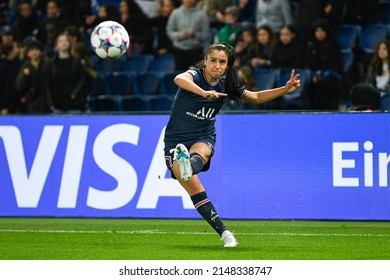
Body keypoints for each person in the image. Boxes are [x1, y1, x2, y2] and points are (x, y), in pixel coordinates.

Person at [163, 42, 300, 247]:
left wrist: (285, 89)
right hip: (176, 140)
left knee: (201, 153)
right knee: (194, 187)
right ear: (206, 61)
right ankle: (225, 233)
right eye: (213, 61)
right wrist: (203, 93)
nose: (217, 66)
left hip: (203, 134)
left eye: (222, 62)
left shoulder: (227, 83)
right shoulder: (195, 75)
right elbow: (178, 78)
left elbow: (254, 97)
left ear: (227, 65)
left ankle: (187, 166)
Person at [166, 0, 211, 71]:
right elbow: (169, 31)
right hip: (178, 51)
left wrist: (195, 34)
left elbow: (206, 34)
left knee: (194, 77)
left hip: (195, 51)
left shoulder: (202, 15)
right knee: (179, 76)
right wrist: (179, 35)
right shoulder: (175, 13)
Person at [15, 39, 50, 114]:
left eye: (36, 49)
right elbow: (19, 86)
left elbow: (50, 83)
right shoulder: (26, 66)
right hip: (32, 103)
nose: (34, 52)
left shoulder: (46, 65)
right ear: (28, 53)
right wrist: (24, 75)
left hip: (46, 102)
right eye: (32, 50)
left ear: (40, 51)